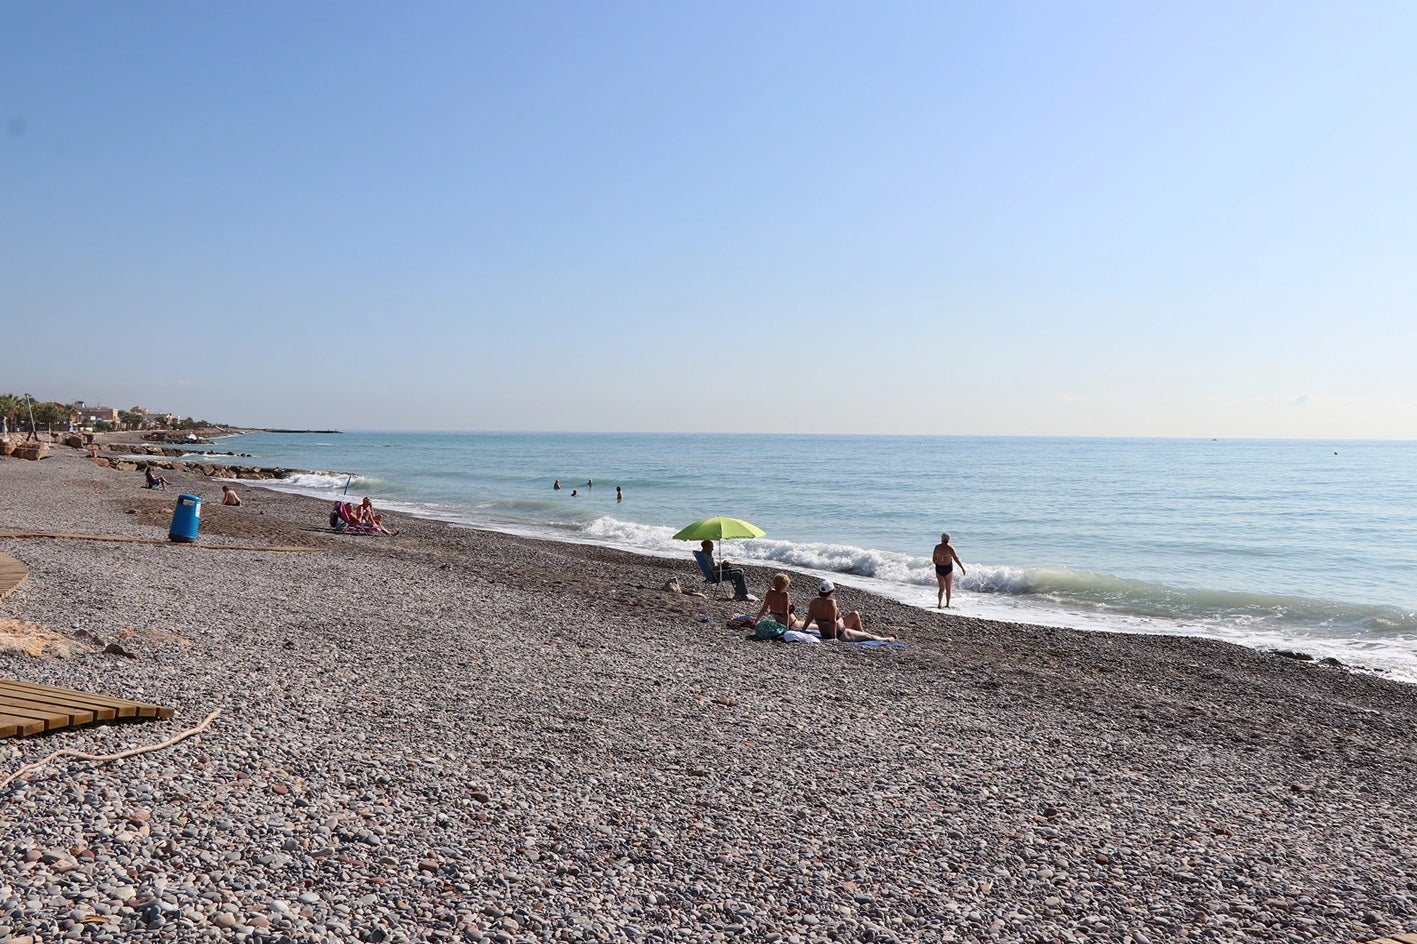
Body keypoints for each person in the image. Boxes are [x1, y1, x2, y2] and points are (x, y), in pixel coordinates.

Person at [805, 580, 894, 642]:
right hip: (840, 633)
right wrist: (834, 637)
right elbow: (832, 621)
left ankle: (861, 634)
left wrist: (803, 630)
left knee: (855, 614)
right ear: (831, 591)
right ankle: (886, 640)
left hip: (826, 632)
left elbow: (809, 618)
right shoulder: (831, 603)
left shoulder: (814, 602)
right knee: (868, 636)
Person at [932, 533, 966, 608]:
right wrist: (962, 568)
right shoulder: (950, 548)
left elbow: (934, 559)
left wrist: (938, 564)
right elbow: (956, 559)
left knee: (941, 588)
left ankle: (939, 604)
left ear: (941, 538)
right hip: (948, 569)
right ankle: (947, 605)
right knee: (948, 588)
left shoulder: (937, 547)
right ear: (948, 539)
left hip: (939, 568)